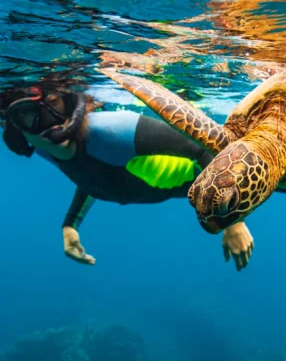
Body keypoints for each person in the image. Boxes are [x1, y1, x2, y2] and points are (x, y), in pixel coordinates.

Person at [0, 86, 254, 271]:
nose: (51, 126)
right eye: (28, 117)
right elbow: (91, 174)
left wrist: (231, 220)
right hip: (179, 190)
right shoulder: (46, 149)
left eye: (57, 105)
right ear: (16, 134)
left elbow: (208, 150)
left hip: (230, 177)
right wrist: (70, 225)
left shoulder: (115, 130)